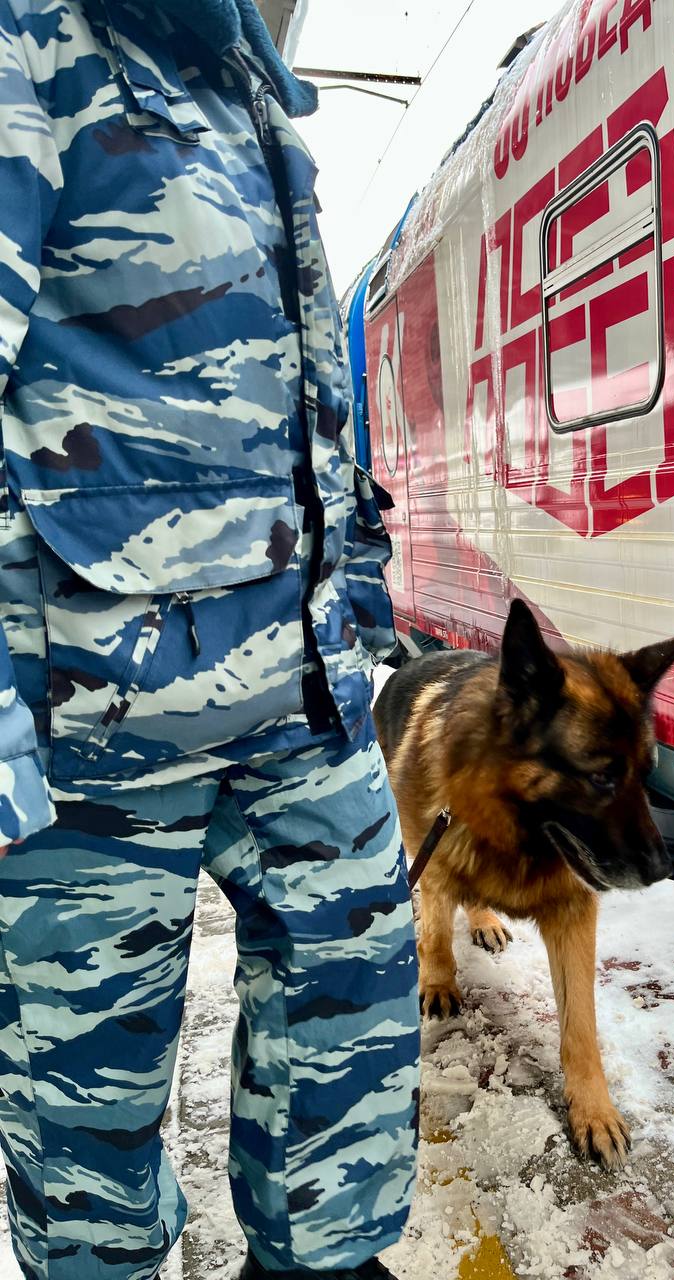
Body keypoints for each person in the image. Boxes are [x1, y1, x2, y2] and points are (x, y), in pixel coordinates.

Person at [0, 1, 420, 1277]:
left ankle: (327, 1259)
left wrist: (358, 609)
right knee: (89, 1140)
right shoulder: (32, 44)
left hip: (304, 698)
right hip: (91, 727)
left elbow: (303, 399)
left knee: (351, 1033)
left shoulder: (248, 83)